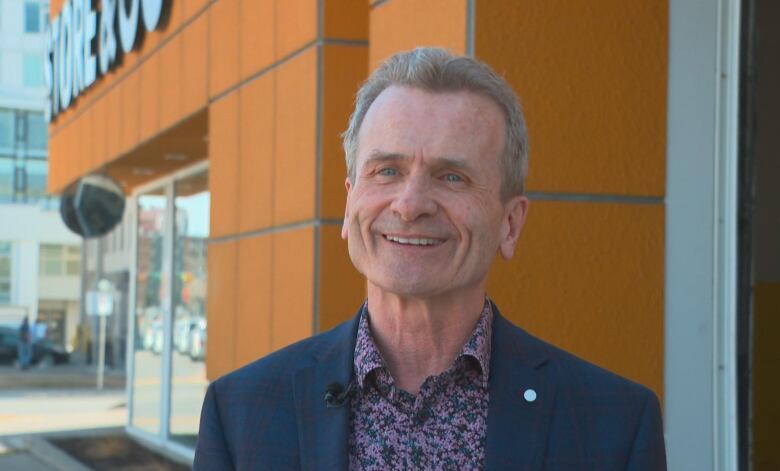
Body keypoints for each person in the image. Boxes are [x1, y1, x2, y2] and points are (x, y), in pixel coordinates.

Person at [194, 48, 666, 470]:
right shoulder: (240, 414)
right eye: (386, 171)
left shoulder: (615, 426)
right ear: (349, 204)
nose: (409, 203)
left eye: (452, 177)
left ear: (510, 223)